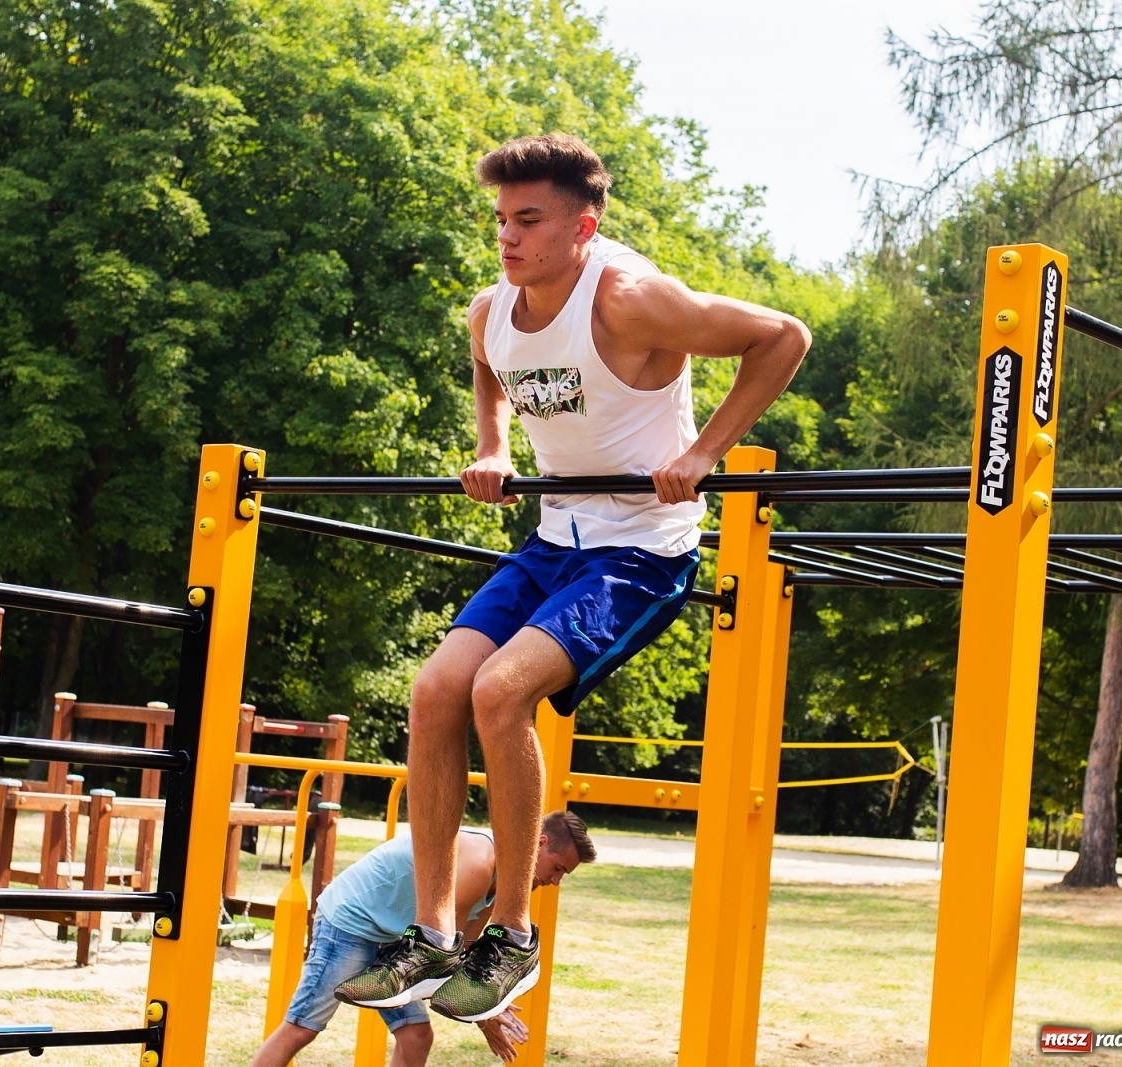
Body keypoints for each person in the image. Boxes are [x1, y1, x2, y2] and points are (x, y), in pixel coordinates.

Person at [340, 132, 811, 1024]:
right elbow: (489, 366)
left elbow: (784, 338)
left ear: (583, 226)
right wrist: (492, 445)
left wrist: (705, 450)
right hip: (557, 536)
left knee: (498, 689)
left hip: (642, 547)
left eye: (529, 221)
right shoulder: (491, 309)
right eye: (500, 220)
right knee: (436, 690)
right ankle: (435, 933)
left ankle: (511, 933)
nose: (508, 238)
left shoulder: (631, 301)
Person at [249, 810, 596, 1067]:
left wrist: (489, 1007)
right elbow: (441, 955)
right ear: (540, 842)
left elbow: (464, 959)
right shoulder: (480, 865)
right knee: (302, 1028)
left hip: (394, 937)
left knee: (416, 1036)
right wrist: (486, 1019)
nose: (555, 882)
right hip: (351, 922)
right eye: (558, 869)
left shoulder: (498, 886)